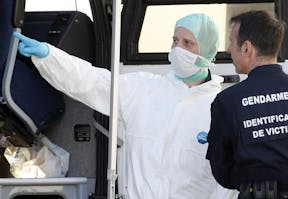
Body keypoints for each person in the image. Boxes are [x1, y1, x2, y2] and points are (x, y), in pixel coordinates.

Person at [14, 14, 238, 199]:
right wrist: (49, 56)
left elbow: (227, 184)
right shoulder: (143, 89)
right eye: (175, 40)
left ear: (207, 51)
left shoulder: (221, 109)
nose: (177, 49)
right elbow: (91, 81)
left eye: (188, 43)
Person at [206, 10, 288, 199]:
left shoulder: (227, 101)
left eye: (231, 42)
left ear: (247, 48)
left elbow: (222, 171)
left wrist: (250, 183)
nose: (228, 49)